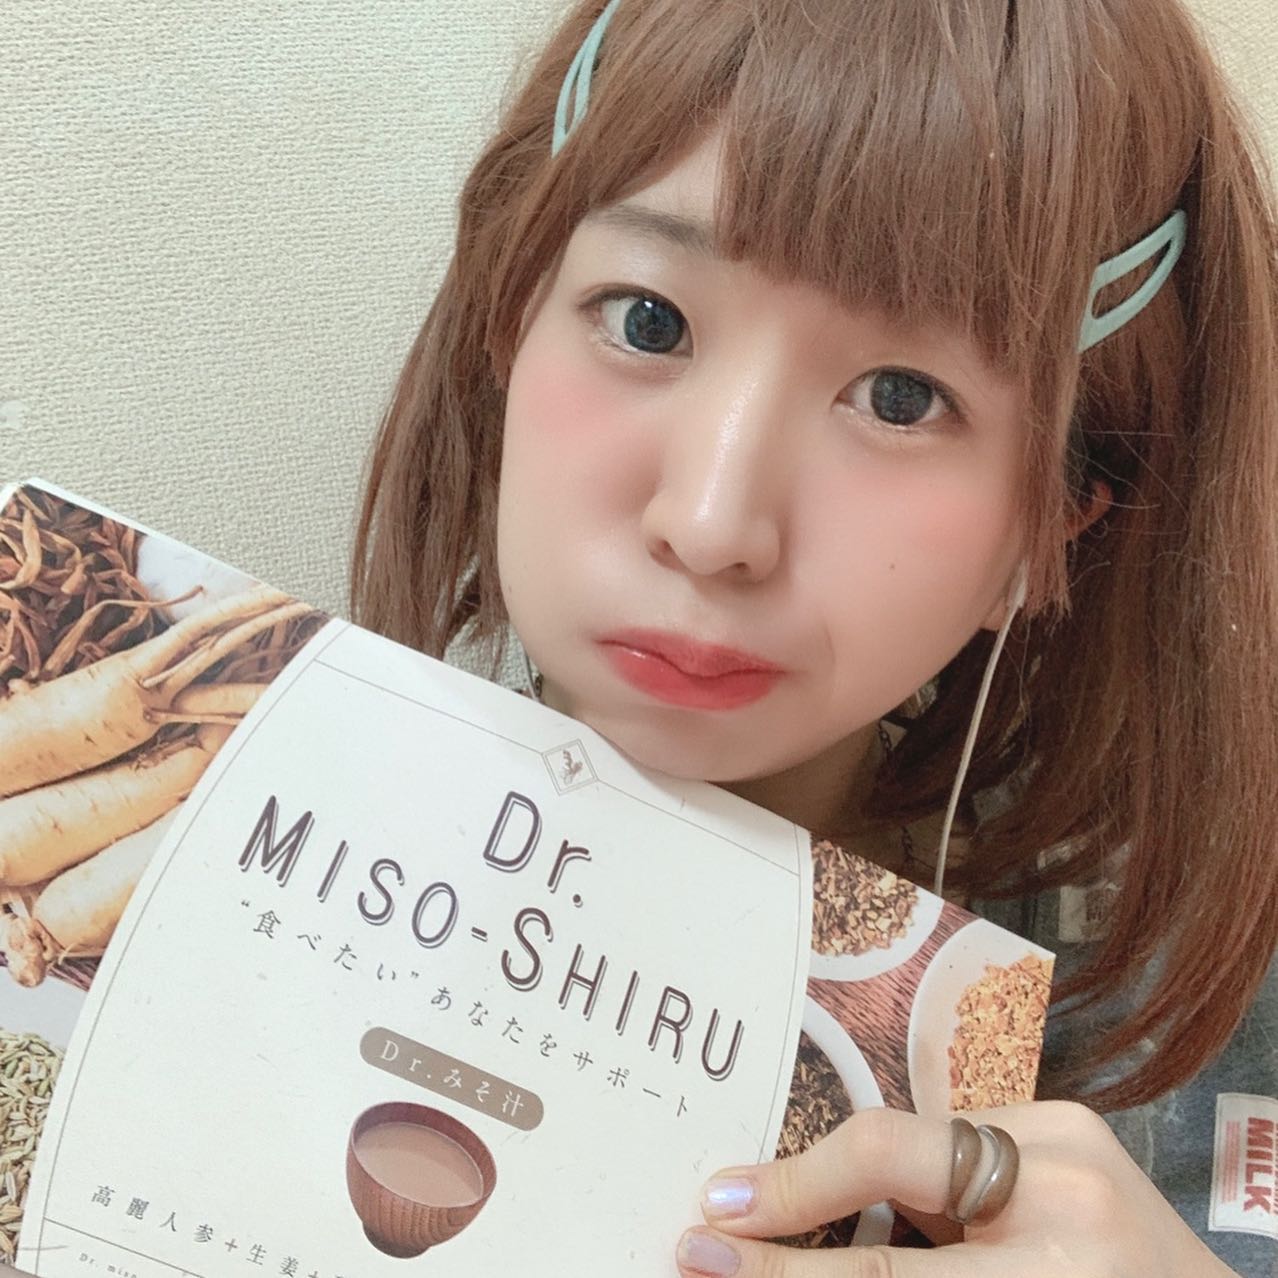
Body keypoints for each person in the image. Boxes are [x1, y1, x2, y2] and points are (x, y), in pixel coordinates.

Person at [349, 0, 1278, 1273]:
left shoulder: (1176, 1013)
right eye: (647, 320)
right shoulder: (226, 822)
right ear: (506, 323)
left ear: (1055, 520)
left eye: (902, 398)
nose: (710, 524)